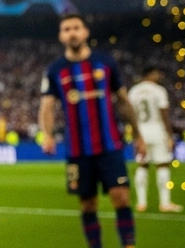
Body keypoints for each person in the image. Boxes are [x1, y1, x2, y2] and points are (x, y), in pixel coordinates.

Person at [39, 14, 144, 248]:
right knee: (87, 204)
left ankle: (129, 245)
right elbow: (47, 106)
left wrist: (138, 135)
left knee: (121, 196)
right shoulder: (55, 70)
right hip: (77, 151)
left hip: (110, 146)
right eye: (67, 29)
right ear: (61, 36)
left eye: (76, 27)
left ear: (86, 32)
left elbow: (123, 101)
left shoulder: (106, 63)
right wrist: (47, 134)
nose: (72, 32)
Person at [129, 66, 182, 213]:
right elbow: (164, 114)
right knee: (162, 165)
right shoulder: (158, 90)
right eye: (157, 73)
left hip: (141, 132)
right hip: (157, 130)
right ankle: (164, 203)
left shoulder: (134, 91)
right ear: (150, 74)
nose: (159, 76)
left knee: (142, 165)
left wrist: (136, 137)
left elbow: (131, 116)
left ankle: (141, 203)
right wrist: (170, 136)